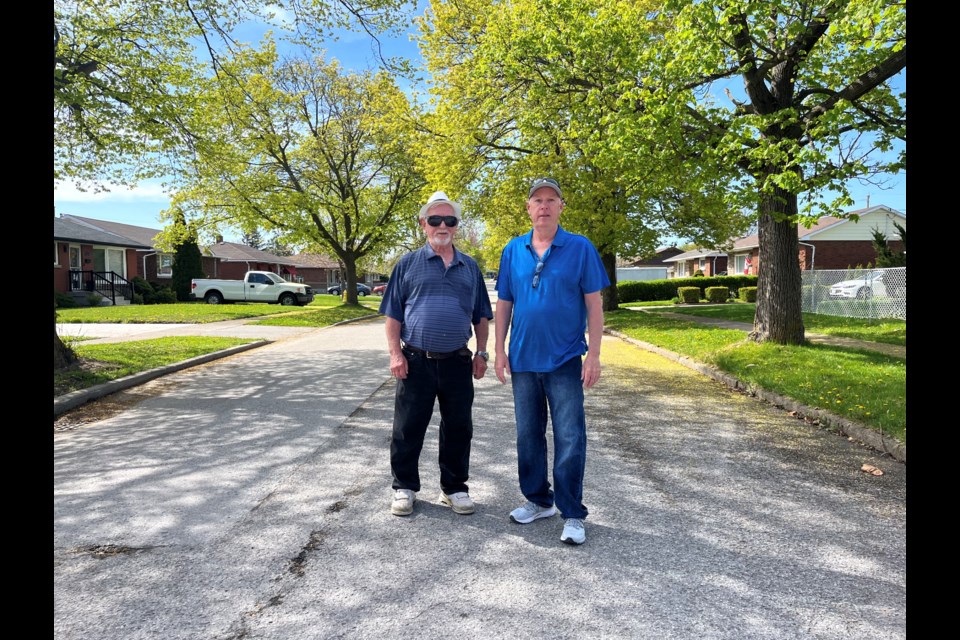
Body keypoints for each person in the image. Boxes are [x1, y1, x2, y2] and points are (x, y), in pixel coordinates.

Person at [494, 177, 610, 545]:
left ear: (561, 206)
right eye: (537, 200)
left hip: (564, 360)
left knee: (570, 436)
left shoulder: (580, 248)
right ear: (528, 208)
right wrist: (499, 350)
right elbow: (504, 304)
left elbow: (594, 304)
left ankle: (573, 512)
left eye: (551, 199)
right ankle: (538, 500)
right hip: (524, 360)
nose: (543, 205)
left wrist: (594, 354)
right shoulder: (513, 250)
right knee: (528, 435)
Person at [379, 190, 493, 517]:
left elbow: (481, 316)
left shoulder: (470, 267)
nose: (442, 225)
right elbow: (393, 315)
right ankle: (404, 488)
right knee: (408, 427)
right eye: (435, 219)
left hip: (458, 361)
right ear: (423, 224)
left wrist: (481, 353)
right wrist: (395, 355)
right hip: (415, 361)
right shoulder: (407, 265)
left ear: (457, 226)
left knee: (459, 427)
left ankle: (454, 488)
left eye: (449, 220)